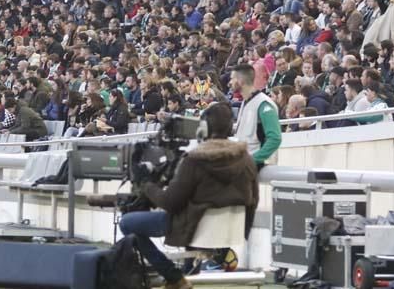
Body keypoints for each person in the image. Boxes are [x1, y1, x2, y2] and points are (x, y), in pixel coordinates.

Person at [119, 103, 257, 289]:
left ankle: (172, 276)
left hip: (192, 226)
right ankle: (187, 275)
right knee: (192, 218)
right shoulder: (246, 159)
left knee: (127, 223)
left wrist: (146, 185)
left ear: (204, 129)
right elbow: (253, 199)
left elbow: (170, 203)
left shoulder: (195, 160)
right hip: (231, 230)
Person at [229, 64, 281, 166]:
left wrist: (254, 159)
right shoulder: (245, 102)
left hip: (257, 166)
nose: (229, 83)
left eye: (232, 79)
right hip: (244, 164)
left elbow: (275, 139)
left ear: (241, 81)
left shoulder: (264, 104)